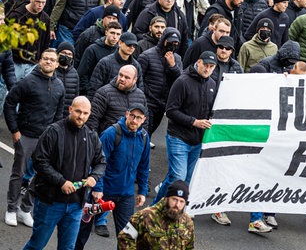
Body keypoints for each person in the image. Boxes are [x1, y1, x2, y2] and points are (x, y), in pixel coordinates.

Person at [23, 96, 106, 250]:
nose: (81, 116)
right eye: (78, 111)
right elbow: (39, 161)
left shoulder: (91, 136)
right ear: (70, 109)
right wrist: (61, 181)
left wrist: (94, 177)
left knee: (68, 248)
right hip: (50, 202)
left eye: (85, 113)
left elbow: (100, 162)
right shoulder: (53, 131)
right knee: (36, 245)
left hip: (76, 205)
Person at [4, 49, 65, 228]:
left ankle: (25, 209)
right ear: (39, 61)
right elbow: (9, 103)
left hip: (46, 139)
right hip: (26, 136)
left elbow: (59, 114)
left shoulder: (60, 86)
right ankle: (11, 209)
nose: (48, 62)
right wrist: (14, 131)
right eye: (45, 58)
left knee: (41, 176)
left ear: (57, 63)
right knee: (19, 174)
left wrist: (54, 136)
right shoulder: (27, 82)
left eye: (52, 60)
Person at [75, 104, 150, 248]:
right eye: (132, 116)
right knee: (82, 231)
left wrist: (142, 190)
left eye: (139, 118)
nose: (134, 120)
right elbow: (97, 162)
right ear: (127, 114)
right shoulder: (111, 133)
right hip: (103, 192)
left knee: (127, 237)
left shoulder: (144, 137)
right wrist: (97, 187)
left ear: (144, 119)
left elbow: (144, 166)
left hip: (125, 195)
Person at [153, 51, 217, 204]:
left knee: (185, 179)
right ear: (198, 62)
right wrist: (194, 122)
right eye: (205, 65)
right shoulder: (182, 81)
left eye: (211, 66)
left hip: (197, 140)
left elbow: (211, 110)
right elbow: (170, 111)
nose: (207, 69)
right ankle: (156, 207)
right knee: (178, 177)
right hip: (178, 137)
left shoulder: (212, 84)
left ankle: (172, 212)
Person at [118, 180, 194, 249]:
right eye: (174, 199)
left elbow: (189, 247)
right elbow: (125, 237)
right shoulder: (146, 216)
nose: (177, 205)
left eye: (181, 202)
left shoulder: (187, 222)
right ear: (166, 198)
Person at [138, 27, 183, 135]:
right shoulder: (146, 56)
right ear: (164, 40)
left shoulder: (177, 59)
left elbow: (180, 81)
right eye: (170, 42)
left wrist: (173, 66)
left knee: (151, 131)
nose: (173, 45)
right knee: (144, 132)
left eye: (176, 42)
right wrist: (142, 98)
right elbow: (139, 79)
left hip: (163, 103)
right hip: (148, 102)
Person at [87, 65, 147, 134]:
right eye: (120, 75)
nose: (122, 79)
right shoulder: (104, 93)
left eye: (127, 77)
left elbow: (144, 122)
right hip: (108, 140)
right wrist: (95, 141)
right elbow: (93, 119)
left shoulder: (141, 96)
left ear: (135, 80)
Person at [55, 42, 80, 116]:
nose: (66, 56)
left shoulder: (75, 73)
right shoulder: (52, 71)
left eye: (69, 54)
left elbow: (76, 95)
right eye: (63, 53)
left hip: (67, 114)